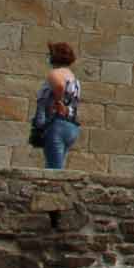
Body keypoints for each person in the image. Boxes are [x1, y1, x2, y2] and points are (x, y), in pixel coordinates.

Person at [34, 42, 81, 171]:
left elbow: (59, 85)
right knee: (57, 165)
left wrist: (58, 101)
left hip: (56, 124)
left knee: (53, 170)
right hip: (70, 125)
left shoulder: (55, 73)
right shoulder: (72, 77)